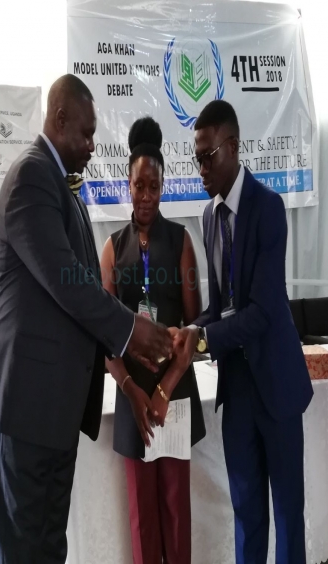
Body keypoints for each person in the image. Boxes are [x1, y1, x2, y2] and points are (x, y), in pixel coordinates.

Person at [0, 74, 173, 564]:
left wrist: (127, 356)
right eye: (86, 133)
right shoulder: (32, 177)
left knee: (47, 547)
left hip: (52, 409)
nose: (92, 146)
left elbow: (81, 294)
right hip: (25, 404)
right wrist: (131, 330)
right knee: (25, 550)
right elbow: (69, 284)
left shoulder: (62, 188)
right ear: (59, 119)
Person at [175, 100, 313, 564]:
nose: (201, 169)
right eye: (196, 158)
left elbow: (263, 311)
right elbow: (221, 307)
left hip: (276, 385)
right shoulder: (208, 217)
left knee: (287, 515)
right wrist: (189, 329)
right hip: (236, 391)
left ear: (232, 147)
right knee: (247, 514)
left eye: (208, 156)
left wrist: (201, 340)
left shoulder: (268, 208)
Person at [100, 117, 205, 564]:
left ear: (164, 187)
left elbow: (196, 326)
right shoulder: (112, 248)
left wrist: (165, 387)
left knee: (176, 512)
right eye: (138, 186)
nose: (145, 196)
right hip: (133, 398)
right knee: (142, 517)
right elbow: (105, 338)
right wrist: (131, 388)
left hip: (174, 393)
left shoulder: (181, 242)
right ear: (128, 185)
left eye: (154, 186)